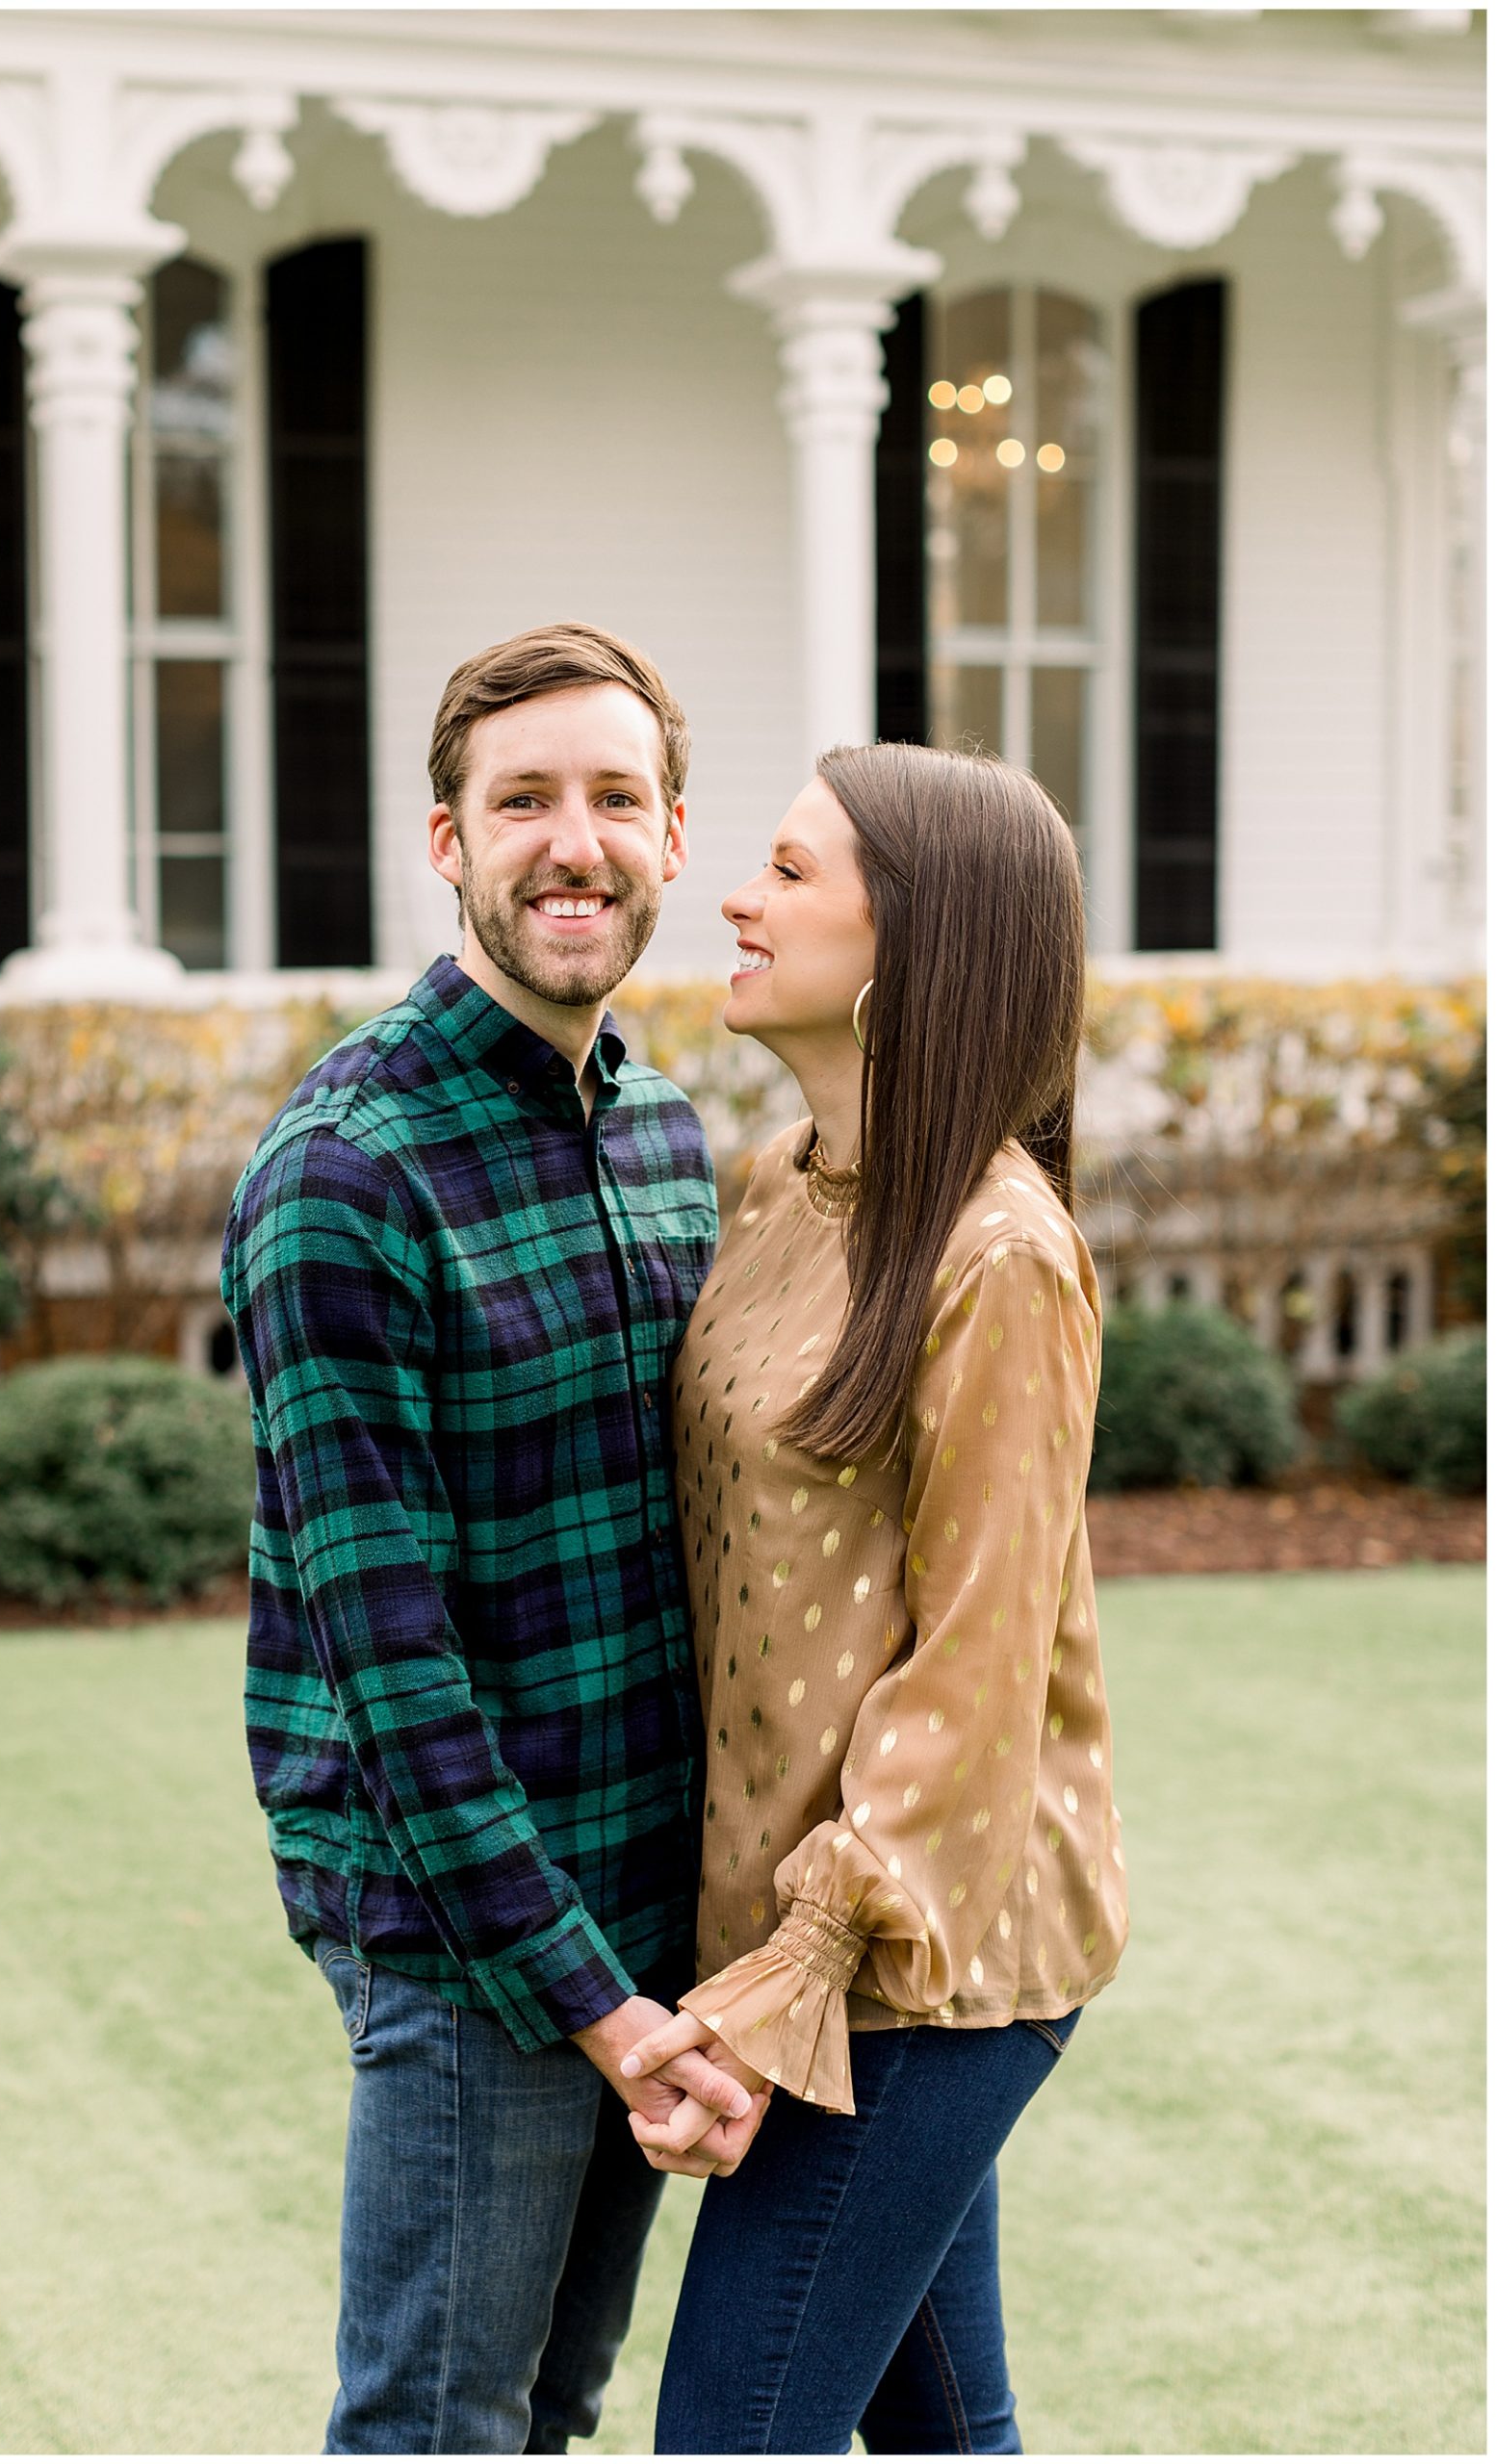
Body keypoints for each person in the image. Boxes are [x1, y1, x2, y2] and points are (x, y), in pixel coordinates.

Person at [219, 623, 765, 2456]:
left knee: (548, 2410)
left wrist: (684, 1960)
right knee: (435, 2427)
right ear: (441, 841)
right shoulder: (343, 1175)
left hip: (645, 1903)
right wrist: (594, 2007)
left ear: (674, 838)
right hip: (467, 1935)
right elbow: (391, 1666)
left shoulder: (671, 1138)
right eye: (520, 799)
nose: (573, 843)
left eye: (616, 798)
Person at [619, 741, 1130, 2454]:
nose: (734, 900)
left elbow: (973, 1677)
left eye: (786, 870)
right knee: (942, 2438)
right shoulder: (772, 1189)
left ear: (913, 941)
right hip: (800, 1940)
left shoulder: (1001, 1255)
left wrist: (790, 1982)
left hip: (922, 1964)